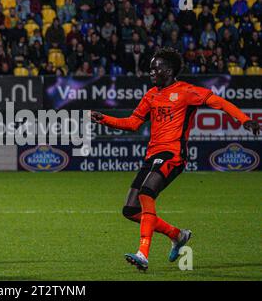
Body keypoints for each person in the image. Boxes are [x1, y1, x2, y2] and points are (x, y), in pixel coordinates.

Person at [90, 47, 260, 272]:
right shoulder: (151, 94)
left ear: (168, 70)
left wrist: (244, 119)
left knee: (146, 194)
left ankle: (143, 253)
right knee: (130, 210)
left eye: (156, 67)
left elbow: (220, 102)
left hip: (173, 154)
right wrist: (105, 119)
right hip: (152, 155)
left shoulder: (186, 91)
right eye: (151, 67)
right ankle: (177, 235)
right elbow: (133, 123)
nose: (151, 71)